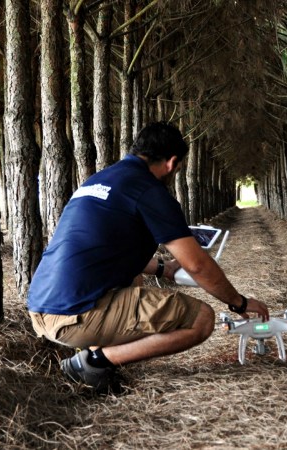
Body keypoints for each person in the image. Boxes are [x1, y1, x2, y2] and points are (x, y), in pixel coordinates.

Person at [27, 121, 269, 393]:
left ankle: (97, 354)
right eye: (177, 169)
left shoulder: (100, 180)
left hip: (42, 306)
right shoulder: (150, 191)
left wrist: (164, 268)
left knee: (135, 278)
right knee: (201, 319)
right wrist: (239, 303)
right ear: (172, 162)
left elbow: (105, 249)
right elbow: (198, 265)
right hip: (74, 316)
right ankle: (93, 361)